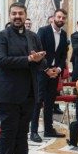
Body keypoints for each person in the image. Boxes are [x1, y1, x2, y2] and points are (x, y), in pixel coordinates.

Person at [0, 2, 46, 154]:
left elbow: (39, 60)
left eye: (20, 13)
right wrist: (29, 59)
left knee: (22, 132)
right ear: (9, 15)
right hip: (8, 94)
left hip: (29, 92)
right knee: (8, 133)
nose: (17, 16)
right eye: (14, 13)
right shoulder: (1, 36)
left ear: (25, 15)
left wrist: (46, 67)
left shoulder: (33, 36)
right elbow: (1, 61)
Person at [30, 8, 68, 143]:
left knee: (50, 102)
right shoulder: (43, 31)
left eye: (63, 18)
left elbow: (63, 55)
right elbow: (39, 52)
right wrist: (46, 69)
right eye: (59, 17)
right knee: (38, 101)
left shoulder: (64, 34)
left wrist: (58, 69)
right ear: (53, 18)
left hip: (55, 72)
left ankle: (48, 129)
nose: (61, 20)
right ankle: (33, 131)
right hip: (41, 71)